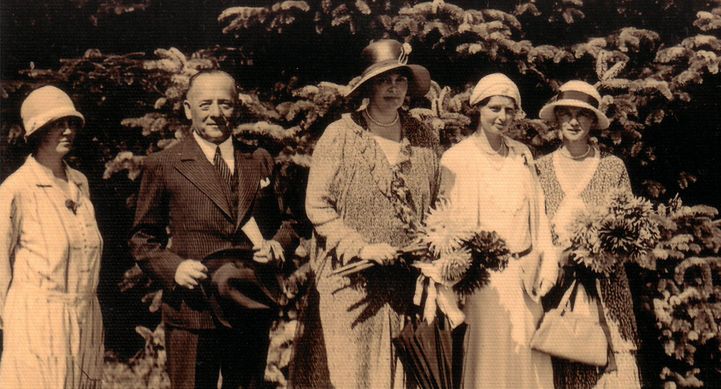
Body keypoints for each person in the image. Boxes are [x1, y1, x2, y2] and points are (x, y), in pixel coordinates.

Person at [129, 69, 297, 389]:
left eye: (225, 104)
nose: (216, 114)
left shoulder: (259, 160)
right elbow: (141, 239)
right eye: (205, 104)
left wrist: (277, 245)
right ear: (188, 109)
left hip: (249, 304)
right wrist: (174, 269)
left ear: (237, 107)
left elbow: (288, 223)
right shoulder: (164, 164)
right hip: (194, 308)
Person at [294, 39, 439, 388]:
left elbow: (437, 205)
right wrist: (360, 247)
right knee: (352, 377)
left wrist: (434, 244)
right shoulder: (340, 135)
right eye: (383, 80)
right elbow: (317, 204)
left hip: (404, 288)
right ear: (368, 86)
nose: (393, 88)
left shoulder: (424, 138)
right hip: (351, 286)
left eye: (400, 80)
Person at [439, 73, 559, 388]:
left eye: (509, 110)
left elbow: (539, 213)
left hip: (526, 277)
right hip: (484, 284)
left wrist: (547, 260)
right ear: (477, 108)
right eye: (494, 108)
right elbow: (447, 228)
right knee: (489, 361)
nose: (502, 117)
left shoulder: (522, 154)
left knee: (528, 362)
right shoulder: (457, 158)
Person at [535, 80, 642, 389]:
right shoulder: (540, 169)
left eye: (581, 115)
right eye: (565, 113)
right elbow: (534, 230)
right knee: (562, 366)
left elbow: (627, 230)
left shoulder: (612, 168)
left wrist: (601, 254)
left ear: (593, 121)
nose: (573, 121)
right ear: (555, 119)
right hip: (559, 292)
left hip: (607, 292)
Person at [0, 86, 104, 388]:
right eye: (58, 124)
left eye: (71, 123)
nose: (67, 131)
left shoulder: (80, 184)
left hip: (86, 315)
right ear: (37, 131)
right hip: (38, 320)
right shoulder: (16, 189)